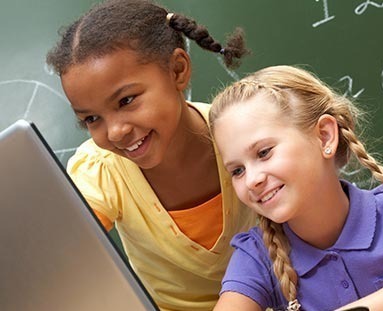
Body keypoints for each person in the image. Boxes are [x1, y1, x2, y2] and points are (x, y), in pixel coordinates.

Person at [46, 0, 256, 310]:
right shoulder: (102, 171)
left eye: (126, 100)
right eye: (91, 119)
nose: (115, 132)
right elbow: (57, 251)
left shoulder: (246, 136)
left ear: (177, 70)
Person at [207, 65, 383, 311]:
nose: (252, 180)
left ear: (324, 137)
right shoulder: (256, 256)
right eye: (237, 170)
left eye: (264, 152)